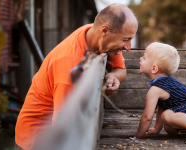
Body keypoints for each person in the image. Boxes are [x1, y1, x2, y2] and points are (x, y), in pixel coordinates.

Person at [15, 4, 138, 150]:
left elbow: (120, 69)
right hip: (38, 139)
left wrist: (113, 76)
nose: (129, 47)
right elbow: (64, 127)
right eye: (126, 39)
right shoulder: (69, 67)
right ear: (104, 31)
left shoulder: (97, 35)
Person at [131, 42, 186, 143]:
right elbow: (162, 106)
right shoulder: (165, 82)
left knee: (167, 116)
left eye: (144, 58)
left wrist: (139, 136)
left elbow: (147, 117)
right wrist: (157, 129)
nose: (140, 58)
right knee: (169, 128)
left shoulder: (156, 88)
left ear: (154, 68)